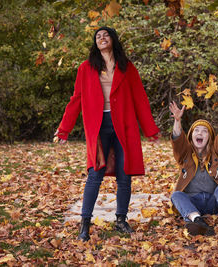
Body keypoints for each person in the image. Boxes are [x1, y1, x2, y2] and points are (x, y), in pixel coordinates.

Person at [54, 26, 159, 241]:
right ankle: (85, 223)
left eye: (105, 35)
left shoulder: (127, 67)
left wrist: (150, 130)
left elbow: (140, 98)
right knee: (95, 174)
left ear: (113, 39)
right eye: (98, 36)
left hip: (124, 124)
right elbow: (76, 100)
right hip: (99, 126)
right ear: (96, 43)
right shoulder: (86, 68)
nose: (101, 38)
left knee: (124, 174)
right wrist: (64, 129)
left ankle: (121, 220)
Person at [168, 101, 218, 236]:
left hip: (214, 202)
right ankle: (197, 221)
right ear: (191, 136)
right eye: (196, 130)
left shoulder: (215, 153)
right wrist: (177, 121)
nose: (200, 133)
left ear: (209, 138)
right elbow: (178, 141)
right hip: (193, 202)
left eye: (204, 131)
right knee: (176, 195)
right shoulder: (184, 154)